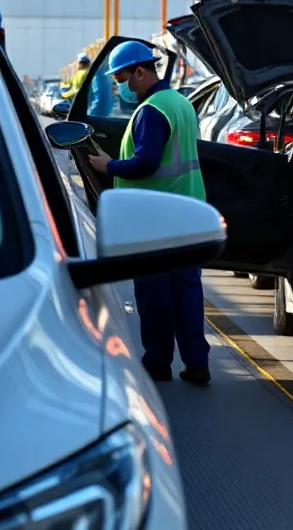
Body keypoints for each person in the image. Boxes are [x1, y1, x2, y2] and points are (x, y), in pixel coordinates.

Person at [87, 41, 211, 386]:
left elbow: (146, 162)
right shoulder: (180, 103)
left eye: (122, 78)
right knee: (187, 290)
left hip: (155, 218)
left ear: (140, 72)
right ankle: (197, 363)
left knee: (154, 293)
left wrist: (108, 165)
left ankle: (157, 363)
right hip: (188, 212)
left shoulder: (151, 111)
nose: (121, 86)